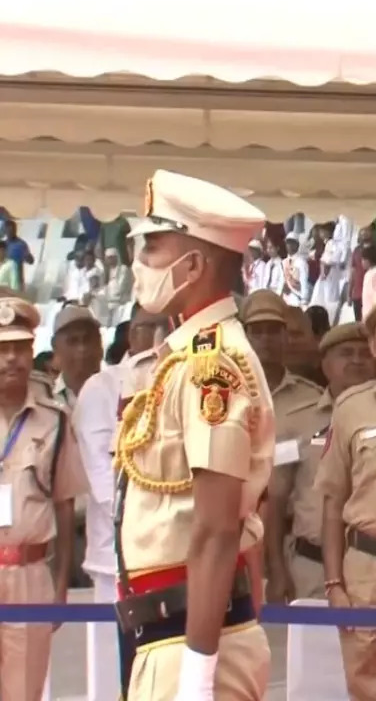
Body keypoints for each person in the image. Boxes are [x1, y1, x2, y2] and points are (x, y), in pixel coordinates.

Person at [113, 169, 275, 699]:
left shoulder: (212, 365)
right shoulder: (185, 356)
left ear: (195, 265)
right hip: (170, 635)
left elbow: (216, 529)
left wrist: (198, 677)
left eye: (153, 249)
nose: (140, 265)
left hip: (194, 640)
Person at [74, 303, 169, 701]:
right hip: (112, 561)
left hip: (166, 553)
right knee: (109, 677)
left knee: (158, 675)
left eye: (164, 328)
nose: (156, 339)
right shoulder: (101, 387)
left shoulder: (180, 378)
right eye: (147, 329)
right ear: (131, 334)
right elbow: (101, 478)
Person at [0, 295, 88, 701]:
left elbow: (64, 503)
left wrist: (61, 582)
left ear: (33, 351)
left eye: (19, 348)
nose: (11, 359)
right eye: (2, 349)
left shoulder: (54, 420)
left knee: (23, 691)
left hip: (30, 571)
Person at [316, 297, 376, 700]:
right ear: (374, 345)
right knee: (367, 686)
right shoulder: (350, 408)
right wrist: (334, 583)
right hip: (368, 568)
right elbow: (333, 503)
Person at [268, 321, 375, 602]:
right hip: (310, 568)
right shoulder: (297, 420)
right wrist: (277, 569)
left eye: (365, 354)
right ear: (325, 364)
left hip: (373, 568)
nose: (356, 360)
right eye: (346, 353)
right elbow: (276, 500)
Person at [240, 289, 326, 604]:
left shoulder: (313, 401)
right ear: (244, 335)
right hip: (236, 542)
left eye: (274, 331)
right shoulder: (225, 395)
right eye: (257, 331)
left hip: (295, 548)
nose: (266, 339)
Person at [50, 305, 103, 408]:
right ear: (55, 347)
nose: (82, 348)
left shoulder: (117, 394)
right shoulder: (47, 400)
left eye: (87, 339)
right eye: (73, 341)